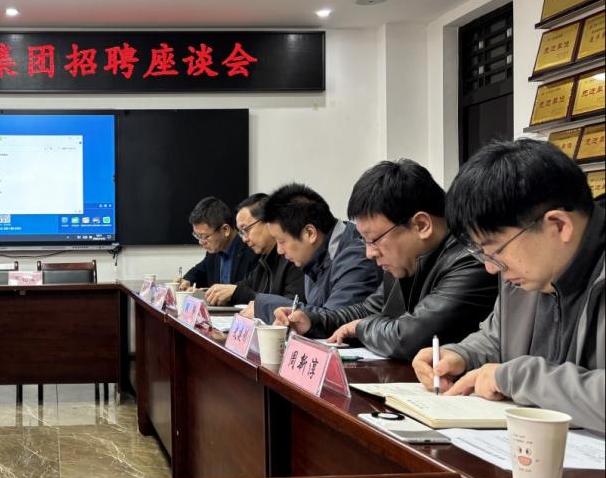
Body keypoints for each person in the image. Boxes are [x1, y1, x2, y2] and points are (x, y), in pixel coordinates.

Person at [412, 139, 604, 433]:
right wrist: (461, 355)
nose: (490, 268)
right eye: (482, 254)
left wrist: (516, 377)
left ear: (558, 225)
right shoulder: (527, 272)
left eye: (496, 251)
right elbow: (496, 338)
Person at [274, 160, 498, 360]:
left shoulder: (471, 261)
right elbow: (367, 310)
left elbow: (409, 337)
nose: (369, 253)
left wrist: (361, 328)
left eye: (374, 240)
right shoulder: (404, 262)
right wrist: (312, 321)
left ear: (421, 225)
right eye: (365, 242)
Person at [241, 183, 381, 322]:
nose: (279, 250)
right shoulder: (313, 257)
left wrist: (267, 307)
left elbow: (333, 321)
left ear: (310, 233)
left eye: (282, 241)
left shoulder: (357, 258)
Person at [204, 193, 304, 309]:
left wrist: (237, 292)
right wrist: (224, 292)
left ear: (269, 222)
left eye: (246, 229)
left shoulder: (293, 258)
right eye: (241, 233)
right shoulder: (265, 259)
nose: (244, 239)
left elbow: (291, 307)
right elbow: (245, 285)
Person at [178, 196, 256, 291]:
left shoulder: (252, 249)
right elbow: (201, 269)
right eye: (197, 236)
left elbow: (253, 289)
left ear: (225, 230)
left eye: (205, 236)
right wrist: (187, 280)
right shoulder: (215, 250)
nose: (201, 242)